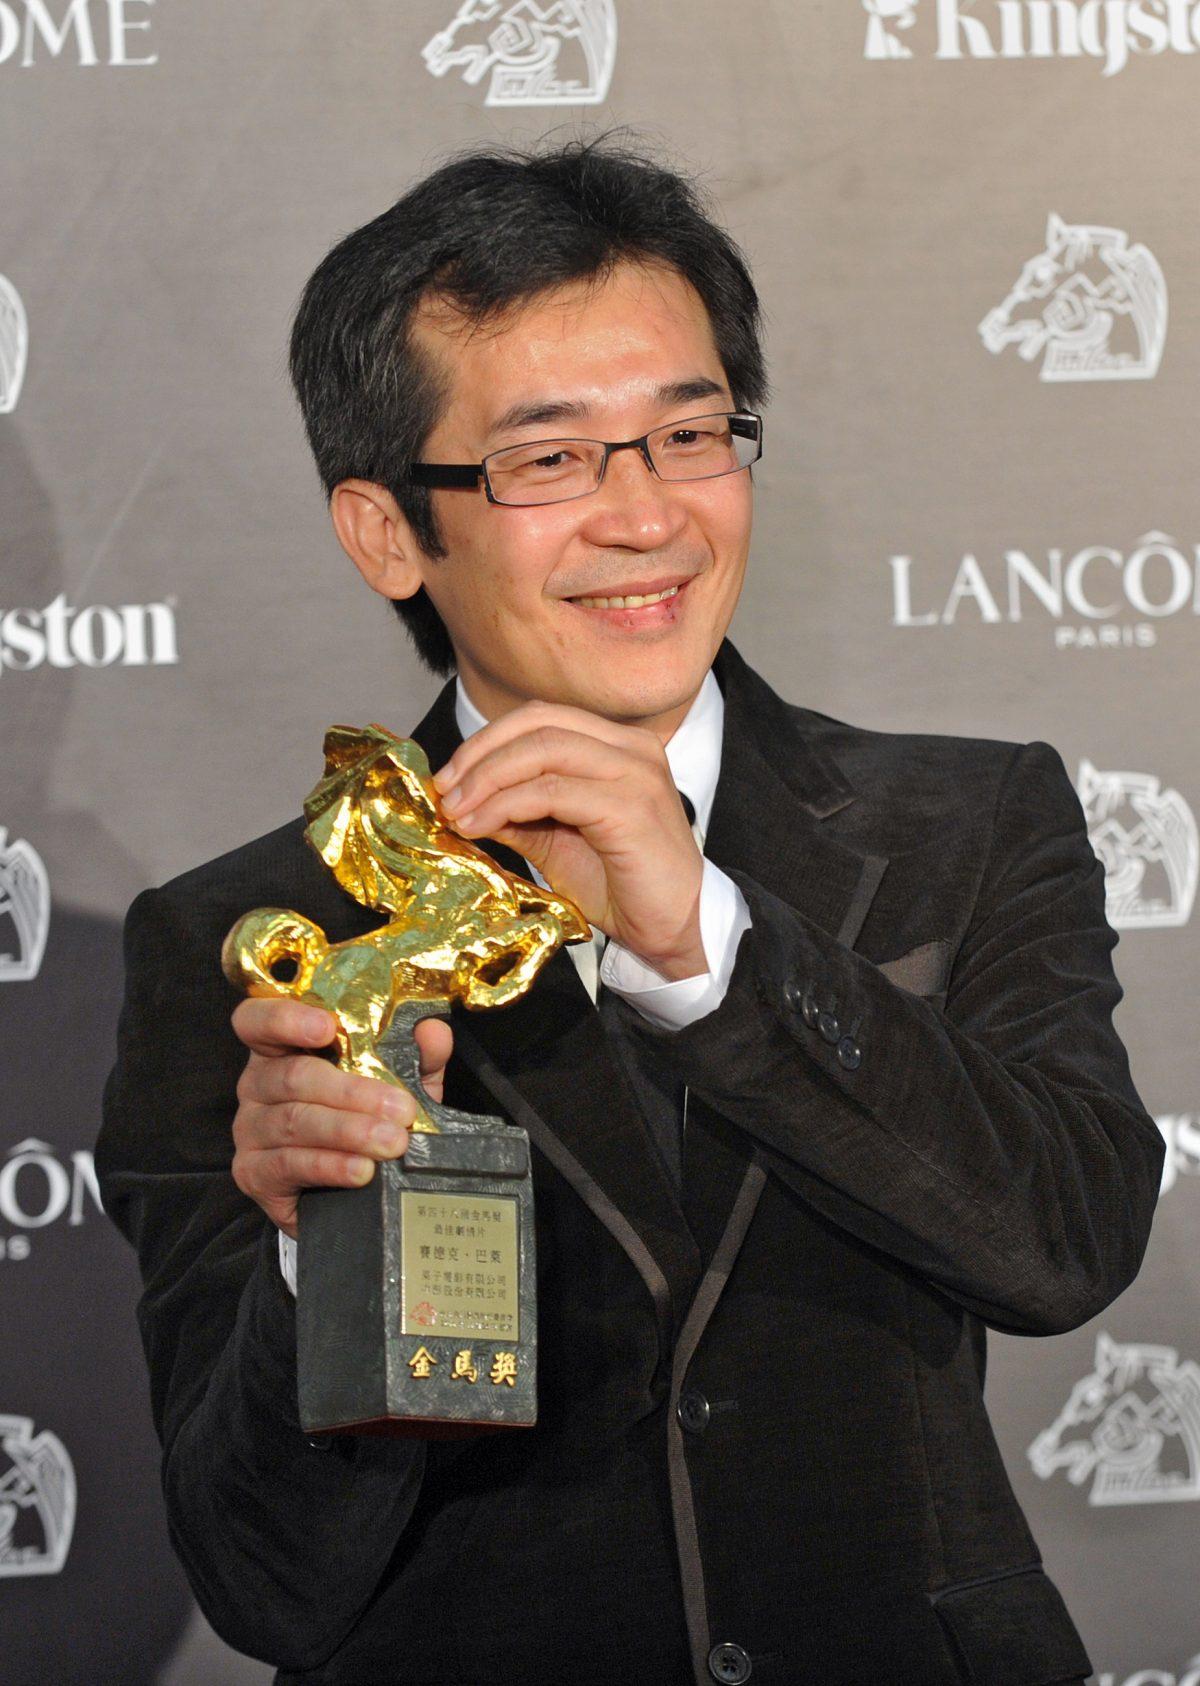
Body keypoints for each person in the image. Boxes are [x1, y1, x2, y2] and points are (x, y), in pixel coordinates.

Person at [97, 139, 1163, 1686]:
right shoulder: (261, 936)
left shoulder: (969, 824)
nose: (648, 516)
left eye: (689, 434)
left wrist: (709, 945)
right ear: (388, 529)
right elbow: (265, 1575)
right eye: (548, 460)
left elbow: (1063, 1242)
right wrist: (305, 1247)